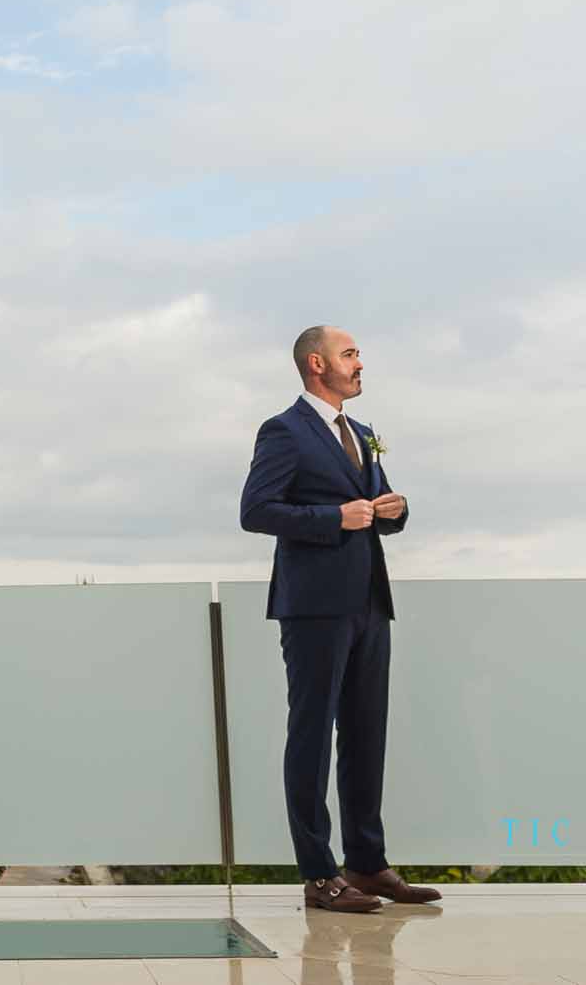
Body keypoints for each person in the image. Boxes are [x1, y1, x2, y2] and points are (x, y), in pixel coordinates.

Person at [239, 326, 440, 913]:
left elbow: (370, 506)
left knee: (365, 734)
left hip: (370, 603)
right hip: (313, 607)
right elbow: (256, 510)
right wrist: (336, 517)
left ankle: (368, 865)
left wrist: (392, 509)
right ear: (316, 363)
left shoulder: (364, 433)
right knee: (311, 736)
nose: (360, 363)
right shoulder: (283, 430)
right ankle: (319, 873)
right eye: (350, 354)